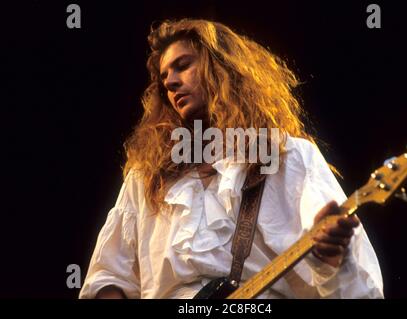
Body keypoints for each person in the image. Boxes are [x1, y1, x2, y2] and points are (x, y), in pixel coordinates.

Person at [79, 19, 383, 299]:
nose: (170, 82)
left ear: (221, 67)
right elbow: (108, 275)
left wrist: (331, 258)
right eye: (164, 77)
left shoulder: (287, 156)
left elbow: (359, 287)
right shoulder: (146, 177)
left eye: (182, 65)